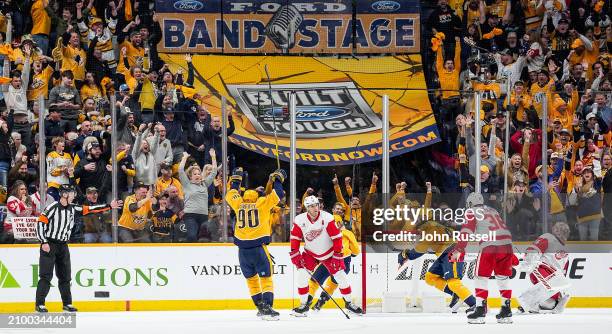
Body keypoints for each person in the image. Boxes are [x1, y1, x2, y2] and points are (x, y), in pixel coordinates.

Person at [35, 184, 121, 312]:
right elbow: (40, 223)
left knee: (65, 277)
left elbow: (91, 209)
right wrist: (44, 242)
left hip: (63, 245)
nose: (74, 195)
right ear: (64, 194)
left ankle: (67, 303)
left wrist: (109, 206)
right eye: (71, 193)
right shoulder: (52, 208)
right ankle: (40, 304)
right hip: (50, 245)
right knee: (46, 276)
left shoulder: (73, 208)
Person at [225, 167, 285, 320]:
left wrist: (237, 179)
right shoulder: (262, 203)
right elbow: (278, 194)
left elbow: (231, 193)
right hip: (258, 248)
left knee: (251, 280)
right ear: (256, 197)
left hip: (242, 251)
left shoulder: (238, 204)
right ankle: (268, 306)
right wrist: (278, 179)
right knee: (266, 278)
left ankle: (259, 306)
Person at [289, 195, 363, 316]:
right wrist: (294, 253)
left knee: (341, 276)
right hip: (310, 253)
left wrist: (337, 255)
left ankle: (349, 303)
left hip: (329, 253)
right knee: (301, 276)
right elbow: (295, 238)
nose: (316, 208)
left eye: (317, 205)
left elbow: (337, 238)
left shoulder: (328, 218)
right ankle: (303, 306)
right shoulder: (299, 219)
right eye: (312, 206)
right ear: (307, 208)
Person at [450, 193, 515, 324]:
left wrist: (459, 249)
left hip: (490, 246)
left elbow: (467, 231)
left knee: (480, 277)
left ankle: (480, 310)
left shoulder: (471, 211)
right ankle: (506, 310)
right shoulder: (493, 210)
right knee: (503, 278)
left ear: (469, 204)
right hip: (507, 244)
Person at [517, 222, 571, 314]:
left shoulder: (556, 243)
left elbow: (562, 275)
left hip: (548, 275)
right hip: (544, 273)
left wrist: (528, 262)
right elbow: (533, 250)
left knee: (550, 302)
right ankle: (539, 303)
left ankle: (537, 303)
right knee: (551, 295)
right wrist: (529, 261)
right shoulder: (551, 240)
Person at [178, 150, 217, 242]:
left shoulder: (204, 184)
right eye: (195, 174)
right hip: (190, 215)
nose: (197, 175)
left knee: (204, 239)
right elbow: (180, 170)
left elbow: (214, 172)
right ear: (190, 176)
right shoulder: (186, 184)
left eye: (199, 174)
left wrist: (213, 157)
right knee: (192, 236)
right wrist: (184, 158)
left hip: (203, 215)